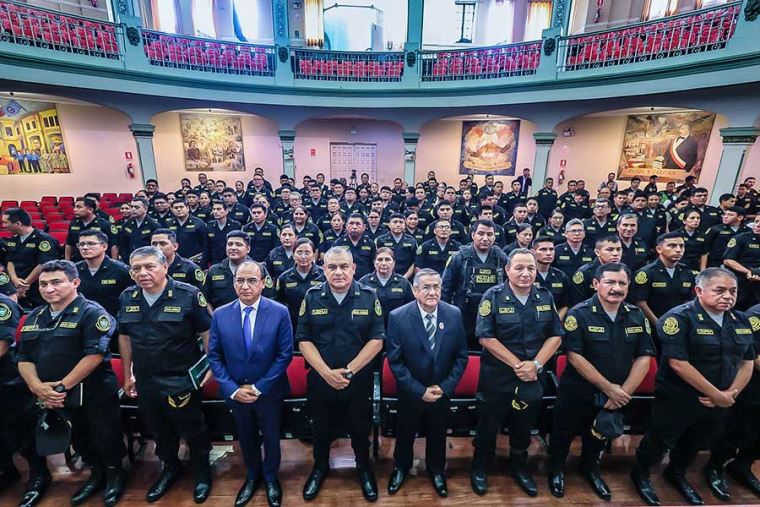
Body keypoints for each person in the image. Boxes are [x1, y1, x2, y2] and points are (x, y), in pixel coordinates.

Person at [631, 268, 756, 506]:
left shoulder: (740, 320)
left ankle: (676, 472)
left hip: (721, 399)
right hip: (679, 397)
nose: (728, 296)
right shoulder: (678, 319)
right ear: (699, 291)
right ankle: (641, 473)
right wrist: (715, 394)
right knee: (661, 439)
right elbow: (678, 363)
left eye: (733, 291)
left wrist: (730, 393)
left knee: (697, 440)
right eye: (719, 290)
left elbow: (747, 361)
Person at [17, 260, 126, 507]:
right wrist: (37, 387)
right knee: (78, 437)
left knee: (105, 435)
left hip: (93, 392)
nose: (49, 289)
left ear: (75, 282)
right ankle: (95, 473)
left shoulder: (92, 312)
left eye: (56, 282)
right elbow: (23, 357)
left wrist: (60, 387)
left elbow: (94, 355)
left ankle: (114, 475)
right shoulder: (35, 316)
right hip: (55, 396)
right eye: (43, 284)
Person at [548, 263, 656, 500]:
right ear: (596, 284)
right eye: (610, 282)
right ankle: (556, 470)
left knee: (598, 435)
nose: (616, 288)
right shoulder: (579, 314)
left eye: (622, 283)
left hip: (617, 394)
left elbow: (644, 356)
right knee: (562, 434)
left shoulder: (636, 315)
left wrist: (624, 392)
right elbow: (574, 356)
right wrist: (608, 388)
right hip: (578, 391)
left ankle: (590, 469)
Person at [117, 247, 213, 504]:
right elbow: (124, 337)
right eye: (136, 268)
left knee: (192, 427)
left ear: (165, 267)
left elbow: (207, 332)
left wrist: (212, 365)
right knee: (157, 428)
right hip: (146, 379)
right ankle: (170, 467)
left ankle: (203, 471)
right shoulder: (128, 296)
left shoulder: (188, 294)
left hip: (180, 377)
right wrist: (127, 375)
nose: (142, 273)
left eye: (149, 266)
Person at [471, 249, 563, 497]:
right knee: (488, 423)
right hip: (497, 376)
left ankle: (518, 463)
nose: (525, 273)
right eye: (519, 268)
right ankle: (480, 464)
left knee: (524, 423)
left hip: (532, 376)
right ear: (507, 270)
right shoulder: (493, 296)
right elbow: (485, 337)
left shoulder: (545, 296)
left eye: (530, 268)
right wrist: (519, 365)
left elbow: (556, 335)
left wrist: (536, 365)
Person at [296, 247, 385, 502]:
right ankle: (320, 467)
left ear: (353, 268)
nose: (338, 272)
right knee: (320, 427)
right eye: (332, 267)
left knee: (360, 427)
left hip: (357, 379)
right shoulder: (312, 296)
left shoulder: (369, 296)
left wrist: (349, 371)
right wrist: (326, 373)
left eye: (344, 266)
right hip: (321, 379)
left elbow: (377, 339)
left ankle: (363, 467)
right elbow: (303, 340)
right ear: (323, 269)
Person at [208, 261, 292, 507]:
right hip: (235, 392)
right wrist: (232, 389)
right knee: (245, 436)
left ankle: (271, 478)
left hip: (268, 391)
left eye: (252, 281)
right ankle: (253, 475)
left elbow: (284, 355)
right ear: (234, 283)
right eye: (240, 281)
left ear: (263, 283)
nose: (245, 286)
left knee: (271, 436)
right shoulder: (221, 314)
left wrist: (258, 388)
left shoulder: (279, 312)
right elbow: (214, 356)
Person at [386, 268, 467, 497]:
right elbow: (395, 361)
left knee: (438, 433)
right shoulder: (398, 317)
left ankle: (436, 470)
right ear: (415, 291)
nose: (432, 292)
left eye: (436, 287)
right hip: (411, 391)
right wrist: (418, 390)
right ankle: (401, 468)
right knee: (405, 433)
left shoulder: (454, 314)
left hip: (441, 391)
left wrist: (445, 387)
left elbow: (461, 357)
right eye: (426, 287)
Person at [703, 302, 760, 501]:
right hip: (751, 387)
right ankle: (714, 467)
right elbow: (752, 355)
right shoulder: (755, 316)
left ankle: (741, 466)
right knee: (737, 431)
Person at [0, 293, 49, 506]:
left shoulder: (3, 304)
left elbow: (2, 346)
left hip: (7, 382)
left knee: (19, 432)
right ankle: (7, 471)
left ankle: (39, 475)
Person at [441, 219, 507, 350]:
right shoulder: (459, 257)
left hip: (493, 315)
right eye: (481, 233)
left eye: (489, 234)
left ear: (494, 237)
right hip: (464, 314)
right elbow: (446, 290)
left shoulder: (501, 258)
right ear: (473, 235)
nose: (485, 238)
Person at [631, 232, 697, 338]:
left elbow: (689, 301)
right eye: (672, 246)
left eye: (681, 246)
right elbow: (640, 303)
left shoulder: (687, 273)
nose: (678, 250)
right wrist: (659, 324)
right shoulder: (646, 273)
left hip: (680, 326)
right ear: (659, 249)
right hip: (653, 328)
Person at [2, 207, 60, 307]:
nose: (4, 226)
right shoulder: (13, 239)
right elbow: (10, 261)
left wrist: (24, 285)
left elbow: (43, 264)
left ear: (18, 223)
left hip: (36, 288)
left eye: (6, 222)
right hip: (15, 287)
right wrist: (15, 280)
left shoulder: (44, 240)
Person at [74, 229, 133, 323]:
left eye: (91, 243)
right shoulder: (73, 271)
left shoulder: (121, 270)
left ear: (104, 246)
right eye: (81, 244)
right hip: (80, 321)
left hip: (113, 322)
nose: (85, 247)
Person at [275, 238, 324, 331]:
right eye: (299, 252)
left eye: (307, 253)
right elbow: (279, 302)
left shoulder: (323, 275)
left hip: (318, 324)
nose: (303, 256)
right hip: (292, 324)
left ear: (314, 255)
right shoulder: (284, 278)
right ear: (293, 255)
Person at [359, 248, 414, 327]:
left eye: (387, 260)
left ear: (393, 263)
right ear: (374, 262)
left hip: (397, 327)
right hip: (371, 327)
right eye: (380, 260)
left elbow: (411, 308)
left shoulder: (404, 283)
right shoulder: (364, 283)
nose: (383, 263)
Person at [203, 231, 256, 311]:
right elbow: (205, 300)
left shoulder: (258, 270)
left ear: (248, 249)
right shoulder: (214, 271)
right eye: (230, 244)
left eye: (238, 244)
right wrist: (215, 316)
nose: (233, 248)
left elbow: (269, 298)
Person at [569, 236, 623, 306]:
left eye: (619, 249)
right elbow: (577, 303)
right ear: (597, 252)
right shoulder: (584, 273)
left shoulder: (624, 271)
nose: (615, 253)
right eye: (610, 250)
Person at [722, 216, 760, 310]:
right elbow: (728, 260)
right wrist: (748, 272)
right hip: (741, 280)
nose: (758, 225)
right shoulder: (741, 238)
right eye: (756, 221)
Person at [66, 197, 117, 262]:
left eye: (79, 207)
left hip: (100, 261)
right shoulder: (74, 223)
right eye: (75, 207)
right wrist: (67, 261)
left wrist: (114, 262)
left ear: (90, 210)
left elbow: (113, 245)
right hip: (78, 260)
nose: (75, 210)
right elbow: (69, 244)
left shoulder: (104, 224)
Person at [532, 236, 571, 318]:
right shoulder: (526, 276)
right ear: (533, 252)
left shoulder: (561, 277)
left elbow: (565, 305)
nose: (548, 253)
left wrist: (556, 322)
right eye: (543, 249)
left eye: (551, 249)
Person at [332, 213, 377, 280]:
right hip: (344, 280)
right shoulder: (338, 243)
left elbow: (373, 267)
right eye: (351, 223)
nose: (354, 227)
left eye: (358, 224)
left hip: (365, 282)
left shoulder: (370, 244)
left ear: (364, 227)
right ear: (346, 226)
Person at [375, 213, 417, 279]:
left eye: (401, 222)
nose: (398, 225)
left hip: (407, 277)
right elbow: (376, 260)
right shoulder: (380, 240)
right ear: (389, 225)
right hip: (385, 276)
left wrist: (405, 277)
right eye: (395, 222)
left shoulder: (411, 241)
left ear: (405, 225)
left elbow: (415, 262)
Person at [166, 198, 207, 263]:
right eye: (176, 208)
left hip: (195, 260)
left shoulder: (198, 223)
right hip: (175, 260)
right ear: (172, 210)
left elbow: (205, 244)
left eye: (181, 207)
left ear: (187, 208)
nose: (179, 209)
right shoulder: (169, 224)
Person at [203, 201, 242, 268]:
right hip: (215, 262)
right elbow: (206, 247)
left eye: (219, 209)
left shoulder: (235, 226)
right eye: (214, 209)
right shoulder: (209, 226)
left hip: (232, 262)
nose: (215, 212)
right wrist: (203, 266)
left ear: (226, 211)